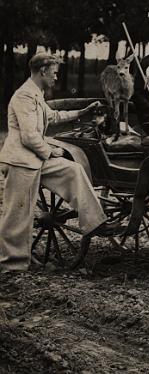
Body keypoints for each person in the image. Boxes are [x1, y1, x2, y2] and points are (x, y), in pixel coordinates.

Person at [0, 52, 121, 273]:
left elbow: (53, 116)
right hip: (21, 162)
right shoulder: (23, 96)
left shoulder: (36, 93)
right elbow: (28, 137)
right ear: (43, 71)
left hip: (35, 159)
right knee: (17, 213)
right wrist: (51, 150)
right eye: (54, 73)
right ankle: (12, 267)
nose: (56, 77)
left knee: (73, 170)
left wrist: (81, 112)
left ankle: (94, 223)